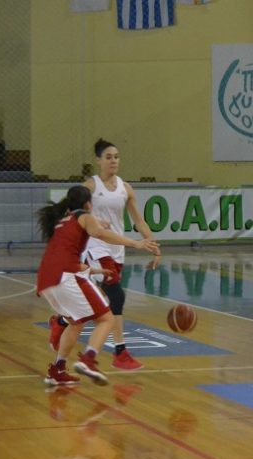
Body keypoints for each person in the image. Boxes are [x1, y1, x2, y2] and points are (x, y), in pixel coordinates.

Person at [48, 138, 159, 371]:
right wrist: (93, 223)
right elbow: (70, 213)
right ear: (98, 160)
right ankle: (120, 353)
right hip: (95, 246)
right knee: (117, 296)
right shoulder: (90, 186)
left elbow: (139, 221)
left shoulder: (125, 188)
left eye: (116, 157)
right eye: (108, 157)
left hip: (117, 249)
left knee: (96, 300)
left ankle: (61, 321)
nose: (113, 161)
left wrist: (151, 243)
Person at [36, 185, 159, 386]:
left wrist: (93, 270)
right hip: (66, 277)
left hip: (46, 280)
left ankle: (58, 369)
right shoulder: (83, 216)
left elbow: (63, 255)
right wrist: (136, 243)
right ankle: (88, 359)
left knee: (76, 322)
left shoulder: (63, 221)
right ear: (88, 203)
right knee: (106, 319)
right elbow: (99, 234)